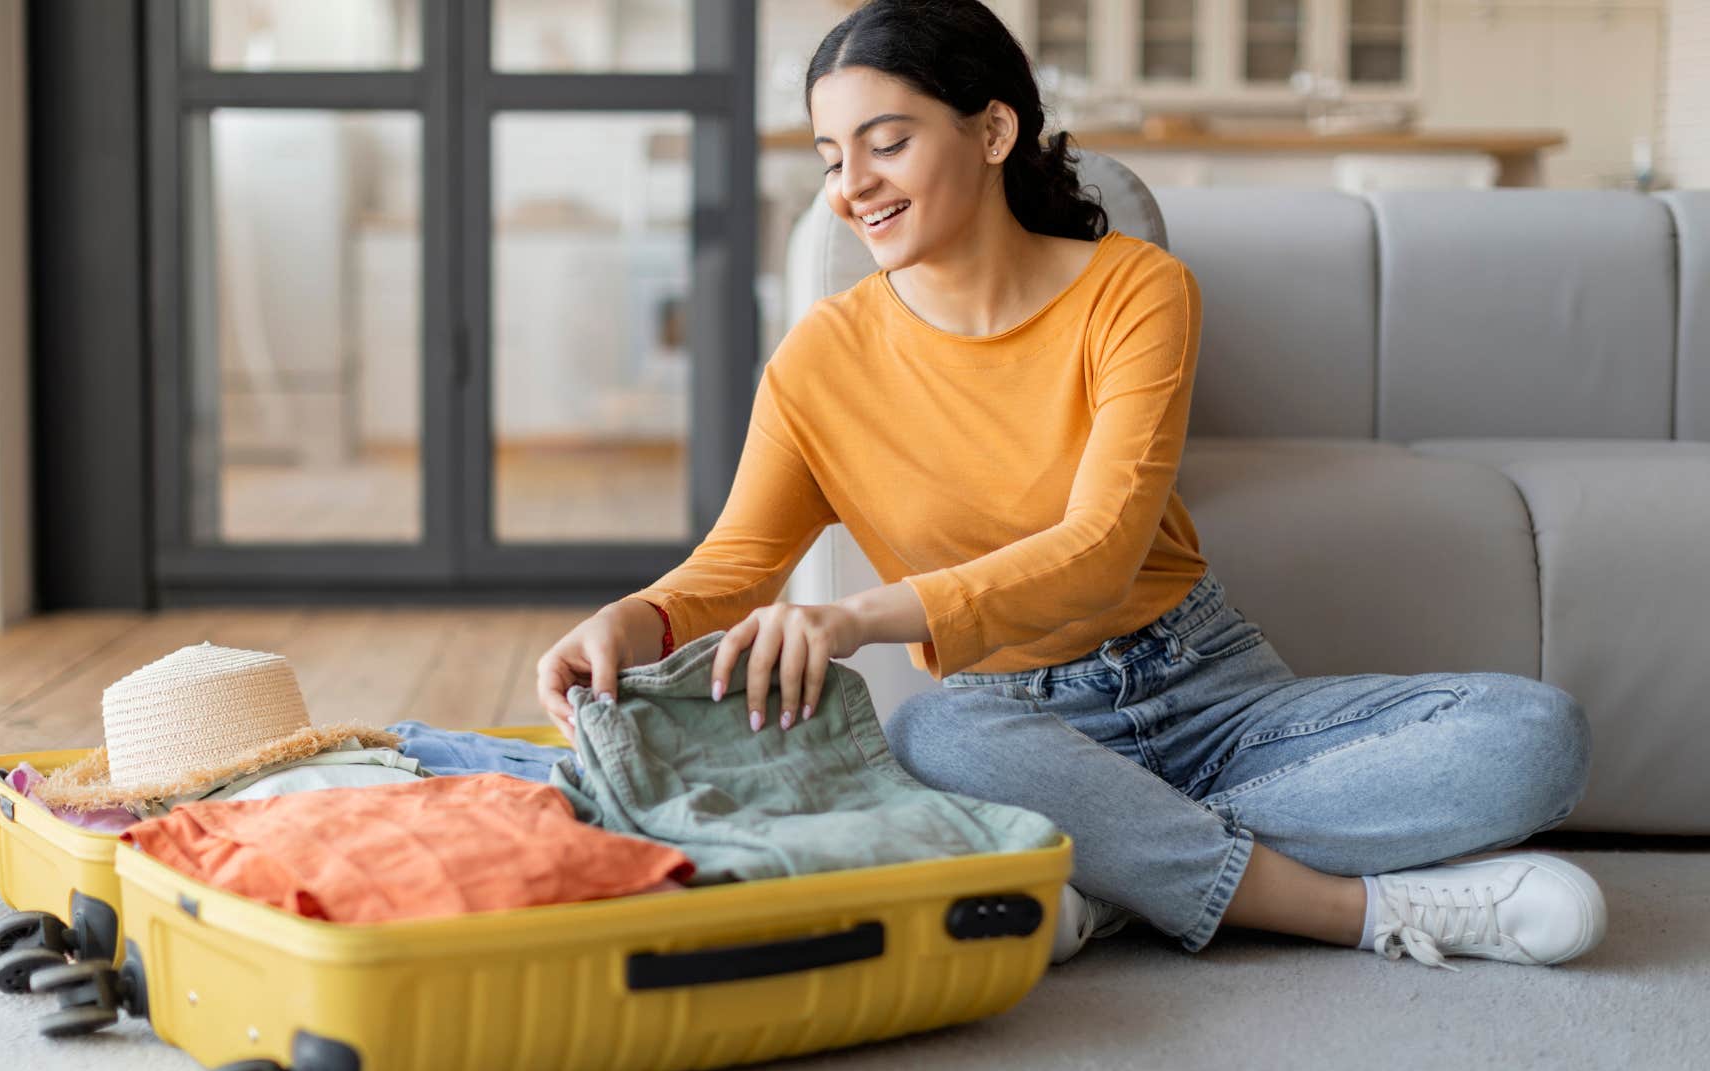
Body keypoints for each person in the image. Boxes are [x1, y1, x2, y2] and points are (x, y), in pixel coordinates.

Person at [535, 0, 1605, 973]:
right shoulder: (821, 361)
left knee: (1535, 736)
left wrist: (855, 616)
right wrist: (629, 622)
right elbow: (736, 566)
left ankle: (1098, 866)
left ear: (992, 132)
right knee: (932, 736)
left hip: (1212, 694)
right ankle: (1350, 910)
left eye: (888, 141)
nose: (851, 184)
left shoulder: (1134, 292)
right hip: (1014, 722)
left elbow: (1100, 548)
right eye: (830, 157)